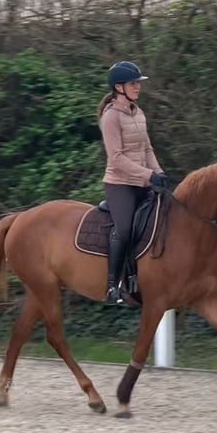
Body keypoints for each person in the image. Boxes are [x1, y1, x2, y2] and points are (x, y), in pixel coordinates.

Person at [96, 61, 167, 305]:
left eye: (138, 83)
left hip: (143, 181)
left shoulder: (138, 113)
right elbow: (116, 158)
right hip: (120, 184)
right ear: (119, 87)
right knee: (124, 229)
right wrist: (148, 176)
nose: (138, 87)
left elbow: (147, 148)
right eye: (133, 83)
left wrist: (158, 172)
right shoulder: (110, 118)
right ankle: (112, 286)